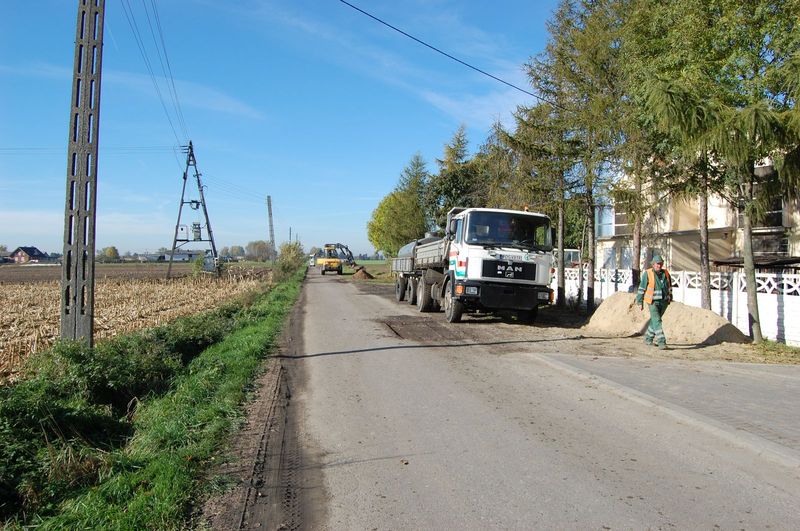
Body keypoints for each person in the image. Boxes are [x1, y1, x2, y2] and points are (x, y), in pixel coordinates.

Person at [635, 255, 672, 349]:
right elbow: (641, 288)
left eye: (660, 264)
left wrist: (669, 298)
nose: (658, 265)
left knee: (654, 321)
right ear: (653, 264)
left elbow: (670, 287)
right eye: (657, 264)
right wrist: (639, 302)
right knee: (657, 321)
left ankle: (648, 339)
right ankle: (661, 342)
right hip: (652, 302)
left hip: (664, 302)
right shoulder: (647, 273)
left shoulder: (666, 273)